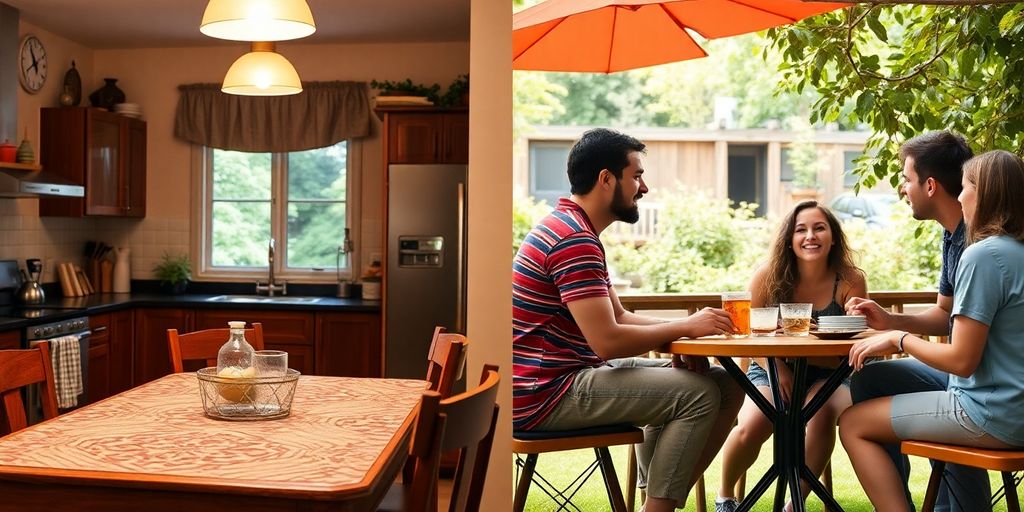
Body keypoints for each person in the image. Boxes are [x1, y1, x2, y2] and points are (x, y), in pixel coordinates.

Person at [512, 128, 744, 512]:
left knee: (726, 384)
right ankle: (658, 507)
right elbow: (608, 342)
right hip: (545, 394)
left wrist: (684, 337)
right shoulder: (573, 240)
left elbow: (619, 317)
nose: (644, 188)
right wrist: (685, 327)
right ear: (606, 179)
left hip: (564, 379)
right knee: (697, 394)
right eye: (636, 176)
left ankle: (653, 501)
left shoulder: (574, 229)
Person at [839, 149, 1024, 511]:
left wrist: (899, 339)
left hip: (992, 412)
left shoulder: (983, 255)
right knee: (872, 381)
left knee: (852, 424)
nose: (960, 196)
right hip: (1010, 404)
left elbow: (962, 361)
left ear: (985, 195)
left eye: (966, 187)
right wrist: (893, 323)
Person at [714, 201, 868, 512]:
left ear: (833, 237)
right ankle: (725, 496)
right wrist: (779, 367)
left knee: (822, 414)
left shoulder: (850, 279)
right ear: (789, 239)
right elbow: (748, 334)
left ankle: (793, 504)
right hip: (771, 366)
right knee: (755, 422)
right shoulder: (767, 276)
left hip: (832, 373)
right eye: (801, 230)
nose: (810, 236)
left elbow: (852, 341)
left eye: (819, 228)